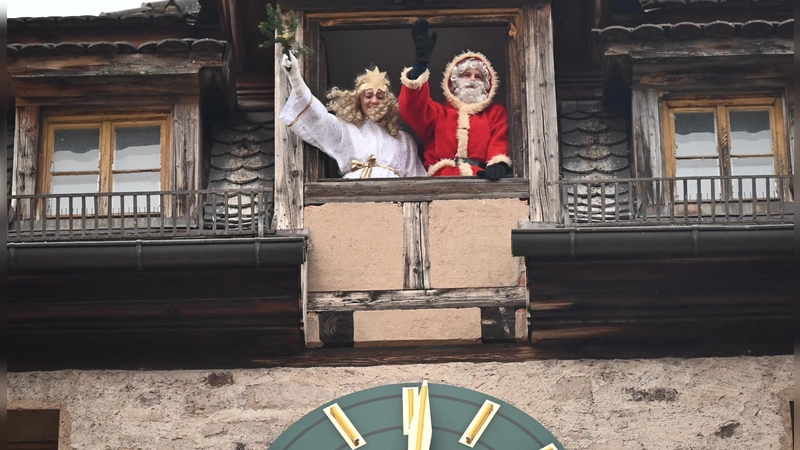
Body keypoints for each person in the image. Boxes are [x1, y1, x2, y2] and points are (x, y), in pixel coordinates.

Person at [279, 51, 427, 179]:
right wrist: (295, 78)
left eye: (380, 97)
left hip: (394, 204)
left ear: (388, 102)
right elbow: (319, 119)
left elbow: (418, 182)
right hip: (354, 200)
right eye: (368, 96)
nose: (374, 101)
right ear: (358, 100)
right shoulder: (347, 130)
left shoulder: (404, 140)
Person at [399, 19, 511, 180]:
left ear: (487, 85)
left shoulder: (495, 113)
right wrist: (419, 67)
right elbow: (412, 109)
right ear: (454, 81)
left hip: (480, 179)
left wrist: (497, 163)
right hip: (440, 180)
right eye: (466, 75)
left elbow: (499, 140)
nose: (472, 79)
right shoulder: (438, 113)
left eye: (478, 77)